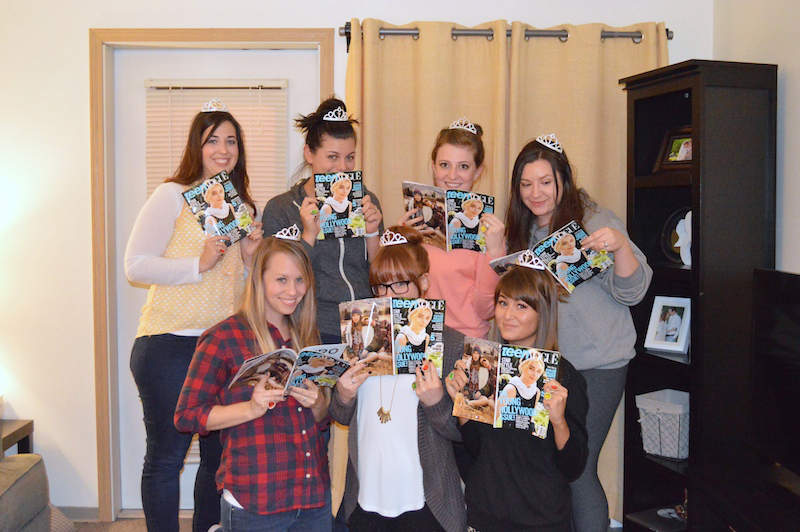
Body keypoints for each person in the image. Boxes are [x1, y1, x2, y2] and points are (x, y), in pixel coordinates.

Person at [124, 98, 263, 532]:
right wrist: (197, 263)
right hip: (169, 344)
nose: (223, 150)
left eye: (231, 141)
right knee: (167, 457)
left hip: (222, 348)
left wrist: (250, 256)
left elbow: (238, 290)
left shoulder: (242, 209)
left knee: (218, 459)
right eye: (212, 140)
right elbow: (135, 265)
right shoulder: (172, 195)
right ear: (196, 147)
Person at [504, 134, 652, 532]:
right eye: (526, 184)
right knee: (551, 464)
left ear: (564, 180)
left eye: (545, 182)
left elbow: (633, 292)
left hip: (599, 364)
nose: (536, 193)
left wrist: (620, 248)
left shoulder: (595, 221)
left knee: (578, 466)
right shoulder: (521, 230)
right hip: (548, 365)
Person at [175, 235, 332, 531]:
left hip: (312, 495)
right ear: (259, 280)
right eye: (281, 279)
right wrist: (250, 408)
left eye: (300, 280)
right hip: (256, 497)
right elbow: (187, 415)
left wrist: (319, 403)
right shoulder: (224, 337)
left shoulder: (307, 335)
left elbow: (321, 421)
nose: (293, 291)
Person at [330, 226, 467, 532]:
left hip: (427, 504)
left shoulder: (451, 344)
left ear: (424, 282)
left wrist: (436, 403)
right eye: (380, 286)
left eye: (400, 284)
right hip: (366, 499)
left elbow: (463, 435)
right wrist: (343, 396)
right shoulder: (359, 338)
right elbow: (339, 415)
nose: (388, 295)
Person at [445, 265, 589, 531]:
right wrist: (462, 407)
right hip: (485, 516)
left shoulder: (563, 378)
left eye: (521, 306)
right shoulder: (485, 367)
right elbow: (476, 451)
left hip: (541, 520)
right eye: (503, 303)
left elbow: (574, 467)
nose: (508, 315)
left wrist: (559, 422)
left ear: (543, 312)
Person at [262, 98, 384, 344]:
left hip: (366, 324)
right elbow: (279, 280)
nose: (342, 167)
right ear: (309, 153)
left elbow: (380, 272)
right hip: (313, 328)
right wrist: (308, 235)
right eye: (332, 157)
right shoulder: (281, 208)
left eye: (350, 157)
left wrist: (372, 232)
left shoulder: (365, 200)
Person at [398, 117, 505, 338]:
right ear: (433, 167)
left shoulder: (490, 231)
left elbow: (486, 311)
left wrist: (494, 253)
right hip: (421, 336)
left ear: (477, 172)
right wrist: (401, 241)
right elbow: (397, 292)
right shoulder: (414, 220)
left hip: (467, 341)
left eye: (463, 166)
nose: (453, 176)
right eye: (444, 165)